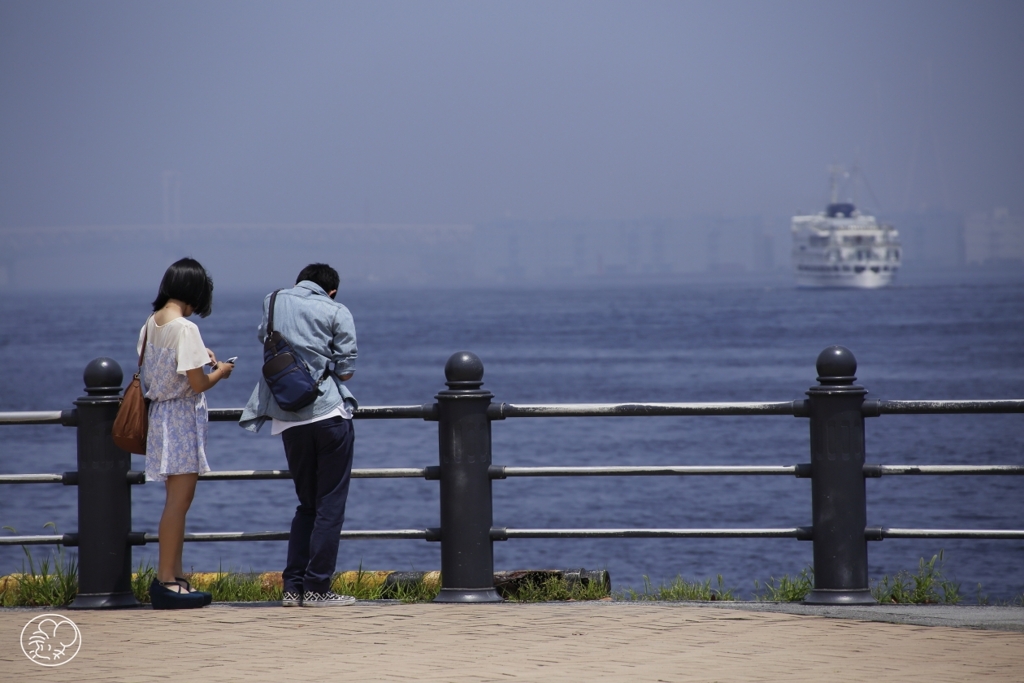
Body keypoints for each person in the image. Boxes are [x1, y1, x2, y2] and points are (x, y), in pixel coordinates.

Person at [239, 263, 358, 608]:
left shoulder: (273, 300)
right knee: (329, 507)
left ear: (299, 282)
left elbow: (266, 338)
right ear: (331, 290)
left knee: (306, 505)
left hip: (288, 419)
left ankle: (293, 589)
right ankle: (319, 589)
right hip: (328, 415)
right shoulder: (336, 310)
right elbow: (347, 372)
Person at [140, 258, 234, 609]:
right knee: (178, 505)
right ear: (194, 293)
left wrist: (200, 357)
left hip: (160, 416)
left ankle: (175, 576)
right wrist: (221, 371)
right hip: (180, 419)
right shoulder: (186, 328)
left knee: (174, 503)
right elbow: (196, 383)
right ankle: (166, 579)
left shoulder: (152, 323)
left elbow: (157, 368)